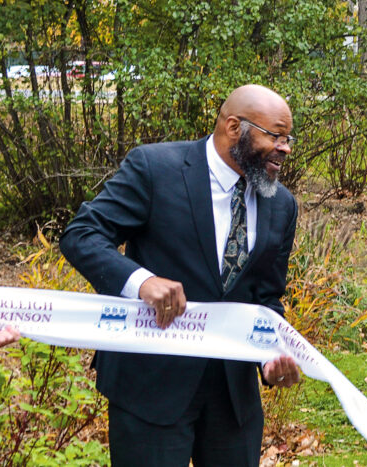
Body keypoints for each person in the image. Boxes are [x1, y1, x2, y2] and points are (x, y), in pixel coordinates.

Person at [60, 84, 302, 467]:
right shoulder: (154, 169)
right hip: (151, 388)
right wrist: (140, 282)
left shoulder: (282, 205)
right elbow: (81, 235)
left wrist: (269, 354)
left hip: (232, 399)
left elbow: (266, 298)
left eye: (288, 138)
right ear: (234, 127)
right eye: (275, 136)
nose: (285, 148)